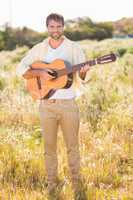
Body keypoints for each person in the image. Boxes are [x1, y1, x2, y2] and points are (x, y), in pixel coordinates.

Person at [16, 13, 90, 198]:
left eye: (58, 26)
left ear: (63, 27)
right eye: (52, 27)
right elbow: (21, 68)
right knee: (49, 147)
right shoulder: (39, 48)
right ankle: (51, 183)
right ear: (47, 27)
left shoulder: (74, 48)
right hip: (46, 105)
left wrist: (83, 73)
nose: (55, 30)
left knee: (72, 146)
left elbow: (85, 77)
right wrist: (40, 71)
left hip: (68, 104)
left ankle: (77, 183)